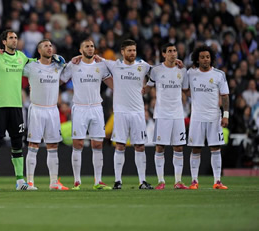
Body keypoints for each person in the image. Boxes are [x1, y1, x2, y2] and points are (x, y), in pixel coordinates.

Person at [99, 39, 154, 189]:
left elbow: (158, 73)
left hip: (137, 112)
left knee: (140, 146)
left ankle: (142, 181)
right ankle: (118, 181)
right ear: (122, 52)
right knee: (120, 146)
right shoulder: (114, 65)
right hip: (121, 112)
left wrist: (148, 88)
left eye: (134, 50)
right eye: (129, 50)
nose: (132, 53)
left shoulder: (142, 66)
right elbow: (96, 59)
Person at [60, 39, 113, 190]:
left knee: (98, 144)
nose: (90, 49)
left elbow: (112, 83)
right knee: (78, 144)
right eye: (87, 46)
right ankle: (77, 181)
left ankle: (98, 181)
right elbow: (60, 80)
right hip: (79, 108)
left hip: (96, 107)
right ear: (80, 49)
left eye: (92, 46)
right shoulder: (74, 65)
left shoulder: (100, 65)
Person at [0, 30, 32, 191]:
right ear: (4, 41)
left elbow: (36, 64)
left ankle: (19, 180)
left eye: (16, 37)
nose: (15, 40)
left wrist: (53, 59)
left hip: (16, 105)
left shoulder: (22, 57)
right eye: (11, 38)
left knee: (18, 142)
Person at [24, 39, 69, 190]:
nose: (49, 48)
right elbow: (13, 71)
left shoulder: (58, 66)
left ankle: (54, 182)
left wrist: (69, 62)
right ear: (39, 50)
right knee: (33, 145)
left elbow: (68, 75)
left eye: (50, 46)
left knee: (53, 145)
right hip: (37, 109)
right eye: (45, 46)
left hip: (52, 110)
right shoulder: (31, 67)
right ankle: (30, 182)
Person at [144, 43, 189, 190]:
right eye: (169, 51)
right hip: (162, 114)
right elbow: (148, 87)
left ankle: (178, 181)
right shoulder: (156, 70)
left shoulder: (182, 71)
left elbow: (187, 90)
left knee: (179, 147)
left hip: (177, 114)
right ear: (164, 54)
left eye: (175, 50)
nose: (173, 53)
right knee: (160, 147)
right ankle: (161, 181)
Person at [187, 45, 230, 190]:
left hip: (214, 117)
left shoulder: (219, 74)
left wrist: (225, 115)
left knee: (215, 148)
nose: (205, 60)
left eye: (208, 57)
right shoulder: (190, 74)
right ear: (197, 60)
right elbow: (185, 90)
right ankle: (194, 181)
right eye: (202, 57)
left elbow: (225, 96)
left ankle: (217, 181)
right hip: (197, 117)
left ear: (211, 58)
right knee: (196, 149)